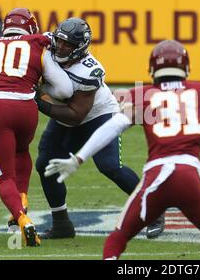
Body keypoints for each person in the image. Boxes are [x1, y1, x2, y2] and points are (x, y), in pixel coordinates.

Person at [44, 40, 200, 260]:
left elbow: (113, 126)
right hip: (189, 175)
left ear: (152, 69)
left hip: (155, 177)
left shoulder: (141, 94)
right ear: (186, 67)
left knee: (118, 238)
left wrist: (80, 157)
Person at [34, 17, 165, 240]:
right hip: (63, 115)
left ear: (81, 47)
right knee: (45, 165)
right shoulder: (45, 48)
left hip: (97, 115)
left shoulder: (89, 70)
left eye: (69, 44)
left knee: (109, 165)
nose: (62, 46)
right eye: (60, 41)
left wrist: (38, 102)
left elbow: (77, 115)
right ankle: (61, 224)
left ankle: (154, 211)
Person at [0, 8, 74, 246]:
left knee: (4, 176)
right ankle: (21, 204)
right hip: (27, 108)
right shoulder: (37, 44)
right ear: (31, 27)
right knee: (22, 152)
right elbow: (65, 90)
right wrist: (39, 88)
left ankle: (22, 218)